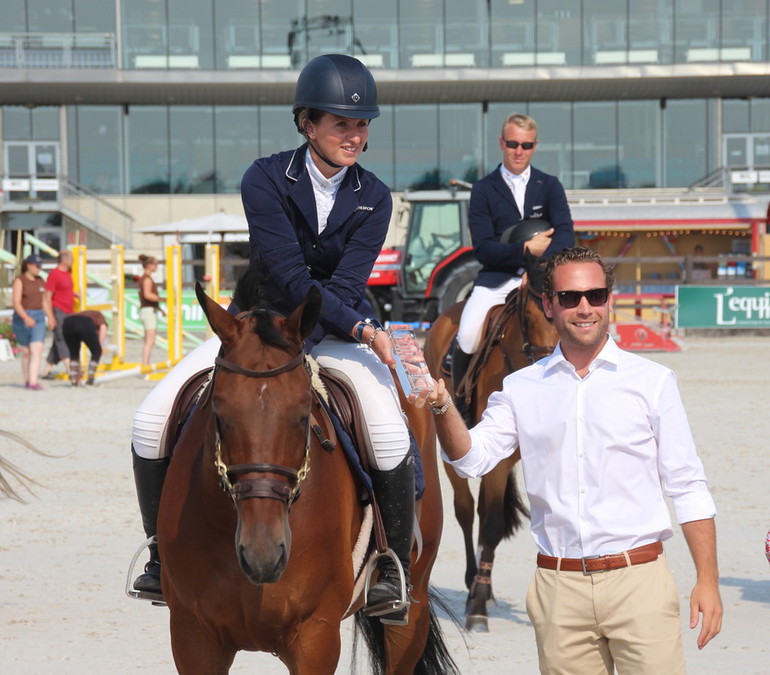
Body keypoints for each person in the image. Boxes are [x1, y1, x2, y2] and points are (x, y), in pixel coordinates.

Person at [129, 54, 414, 624]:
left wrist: (353, 329)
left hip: (329, 332)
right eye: (341, 123)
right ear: (307, 124)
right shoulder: (264, 177)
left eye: (362, 125)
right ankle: (163, 554)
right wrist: (364, 327)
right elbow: (287, 275)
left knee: (385, 426)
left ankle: (389, 562)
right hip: (255, 324)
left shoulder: (374, 196)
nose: (355, 135)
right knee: (149, 415)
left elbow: (346, 283)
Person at [414, 247, 723, 673]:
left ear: (610, 301)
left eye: (596, 296)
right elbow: (472, 460)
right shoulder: (519, 388)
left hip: (640, 582)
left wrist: (708, 581)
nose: (584, 307)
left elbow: (687, 486)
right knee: (466, 335)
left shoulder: (653, 383)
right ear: (548, 304)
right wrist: (444, 404)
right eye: (570, 298)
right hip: (558, 590)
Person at [453, 113, 574, 420]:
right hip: (497, 279)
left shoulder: (550, 186)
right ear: (501, 143)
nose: (519, 151)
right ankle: (463, 403)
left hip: (542, 279)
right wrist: (524, 250)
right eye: (512, 144)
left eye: (526, 145)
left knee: (576, 326)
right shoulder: (483, 189)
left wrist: (538, 270)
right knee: (467, 333)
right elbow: (484, 248)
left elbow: (566, 234)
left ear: (534, 146)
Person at [11, 254, 53, 391]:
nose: (39, 269)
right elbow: (16, 303)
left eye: (40, 266)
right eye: (37, 266)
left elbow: (45, 302)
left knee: (37, 348)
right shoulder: (19, 280)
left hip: (39, 316)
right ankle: (27, 380)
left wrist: (50, 317)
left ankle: (34, 381)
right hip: (23, 315)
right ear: (29, 265)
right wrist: (25, 317)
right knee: (26, 351)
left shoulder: (41, 281)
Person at [42, 250, 77, 379]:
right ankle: (70, 369)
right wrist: (50, 317)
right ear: (64, 260)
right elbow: (47, 296)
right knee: (62, 338)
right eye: (71, 258)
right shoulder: (54, 274)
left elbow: (64, 291)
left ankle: (46, 371)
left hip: (69, 311)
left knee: (58, 340)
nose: (73, 261)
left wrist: (74, 295)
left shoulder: (68, 274)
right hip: (58, 310)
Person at [62, 310, 107, 386]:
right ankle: (90, 378)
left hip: (67, 322)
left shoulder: (85, 313)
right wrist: (99, 346)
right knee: (97, 351)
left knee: (74, 353)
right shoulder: (100, 316)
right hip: (84, 322)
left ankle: (74, 378)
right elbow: (103, 328)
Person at [137, 255, 164, 366]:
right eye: (155, 264)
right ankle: (145, 365)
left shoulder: (144, 278)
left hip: (147, 310)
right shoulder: (147, 279)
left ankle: (145, 364)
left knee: (148, 340)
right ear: (149, 265)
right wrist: (163, 299)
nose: (157, 266)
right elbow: (148, 295)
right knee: (150, 341)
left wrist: (160, 308)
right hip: (148, 311)